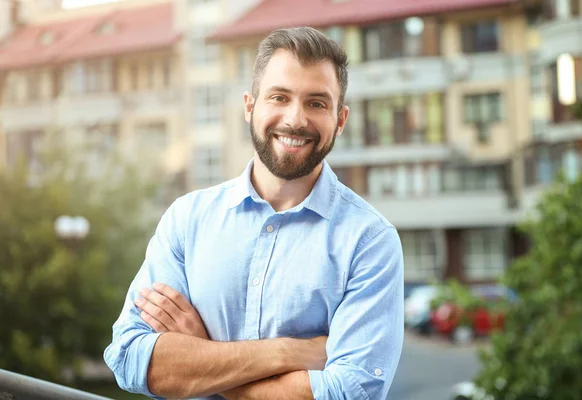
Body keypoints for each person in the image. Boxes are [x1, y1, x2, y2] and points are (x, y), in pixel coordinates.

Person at [104, 27, 404, 400]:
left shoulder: (370, 241)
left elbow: (349, 392)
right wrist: (290, 352)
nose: (295, 119)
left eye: (317, 103)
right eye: (279, 97)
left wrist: (203, 353)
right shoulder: (188, 219)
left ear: (340, 120)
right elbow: (131, 358)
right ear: (249, 105)